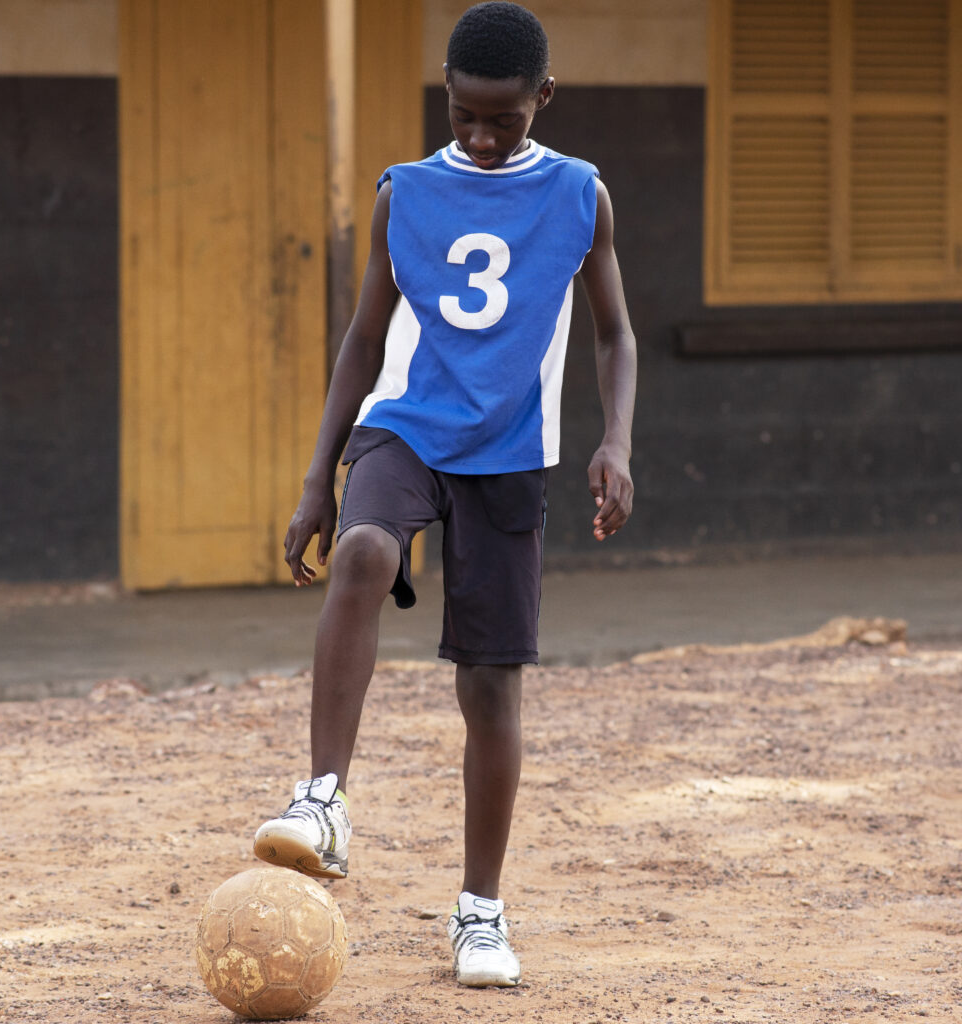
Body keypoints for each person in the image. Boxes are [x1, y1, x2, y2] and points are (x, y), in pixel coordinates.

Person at [253, 0, 636, 989]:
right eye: (464, 113)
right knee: (365, 552)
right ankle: (323, 798)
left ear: (543, 97)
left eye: (503, 118)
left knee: (491, 685)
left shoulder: (580, 194)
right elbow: (363, 338)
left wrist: (616, 441)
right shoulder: (407, 192)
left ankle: (480, 912)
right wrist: (317, 478)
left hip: (510, 452)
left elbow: (614, 334)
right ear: (447, 93)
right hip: (407, 425)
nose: (481, 134)